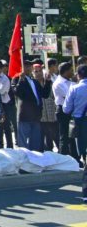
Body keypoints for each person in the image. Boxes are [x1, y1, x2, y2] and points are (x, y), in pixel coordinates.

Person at [61, 65, 87, 200]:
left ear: (78, 75)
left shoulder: (74, 88)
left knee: (85, 157)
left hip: (80, 123)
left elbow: (66, 109)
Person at [15, 60, 50, 151]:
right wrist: (21, 80)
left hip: (36, 115)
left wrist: (48, 82)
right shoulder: (17, 79)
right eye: (25, 66)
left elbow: (44, 94)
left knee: (35, 142)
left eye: (29, 66)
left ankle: (34, 157)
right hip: (25, 115)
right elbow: (18, 93)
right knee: (23, 142)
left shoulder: (34, 81)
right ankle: (24, 157)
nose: (28, 68)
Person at [0, 58, 16, 150]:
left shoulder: (5, 78)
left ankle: (10, 146)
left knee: (6, 126)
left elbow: (2, 91)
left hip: (4, 105)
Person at [53, 62, 75, 156]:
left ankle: (74, 156)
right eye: (71, 70)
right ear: (66, 71)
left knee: (72, 135)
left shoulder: (70, 81)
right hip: (62, 110)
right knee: (64, 135)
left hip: (71, 110)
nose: (73, 72)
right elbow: (69, 97)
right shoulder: (59, 83)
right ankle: (63, 156)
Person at [42, 58, 60, 152]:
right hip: (47, 107)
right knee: (49, 130)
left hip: (54, 105)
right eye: (56, 65)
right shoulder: (45, 75)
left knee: (54, 129)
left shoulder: (55, 76)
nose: (57, 67)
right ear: (52, 66)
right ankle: (50, 149)